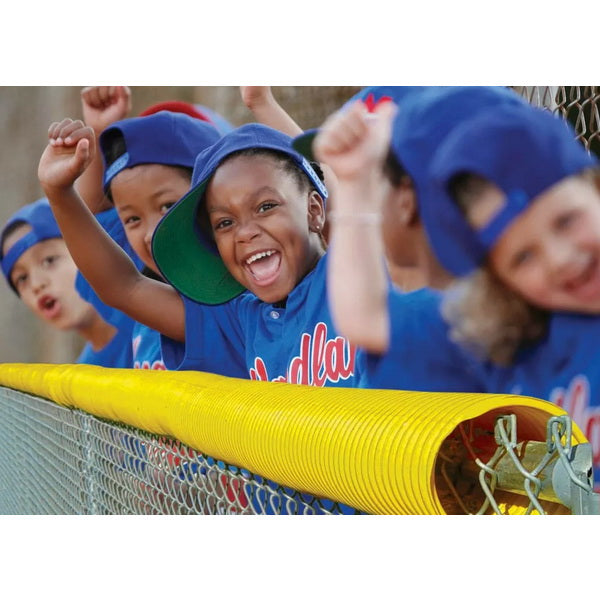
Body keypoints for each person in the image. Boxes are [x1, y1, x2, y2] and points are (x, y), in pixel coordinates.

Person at [38, 119, 363, 386]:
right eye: (224, 223)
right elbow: (125, 287)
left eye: (265, 207)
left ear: (315, 210)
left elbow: (346, 207)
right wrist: (59, 192)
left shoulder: (349, 274)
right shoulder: (241, 318)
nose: (245, 232)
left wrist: (264, 106)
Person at [0, 198, 132, 367]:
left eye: (49, 260)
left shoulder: (154, 326)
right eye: (22, 278)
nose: (37, 284)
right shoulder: (82, 374)